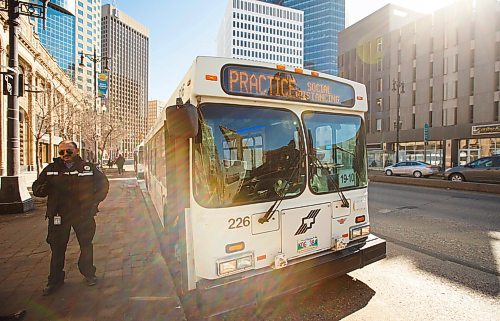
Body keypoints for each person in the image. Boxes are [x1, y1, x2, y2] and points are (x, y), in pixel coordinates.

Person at [32, 140, 109, 296]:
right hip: (59, 216)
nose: (65, 155)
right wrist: (45, 188)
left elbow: (103, 184)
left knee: (86, 245)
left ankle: (88, 273)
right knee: (57, 248)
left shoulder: (87, 168)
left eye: (69, 151)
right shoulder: (51, 169)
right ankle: (55, 280)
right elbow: (37, 189)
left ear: (76, 151)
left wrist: (94, 202)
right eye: (61, 152)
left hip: (83, 214)